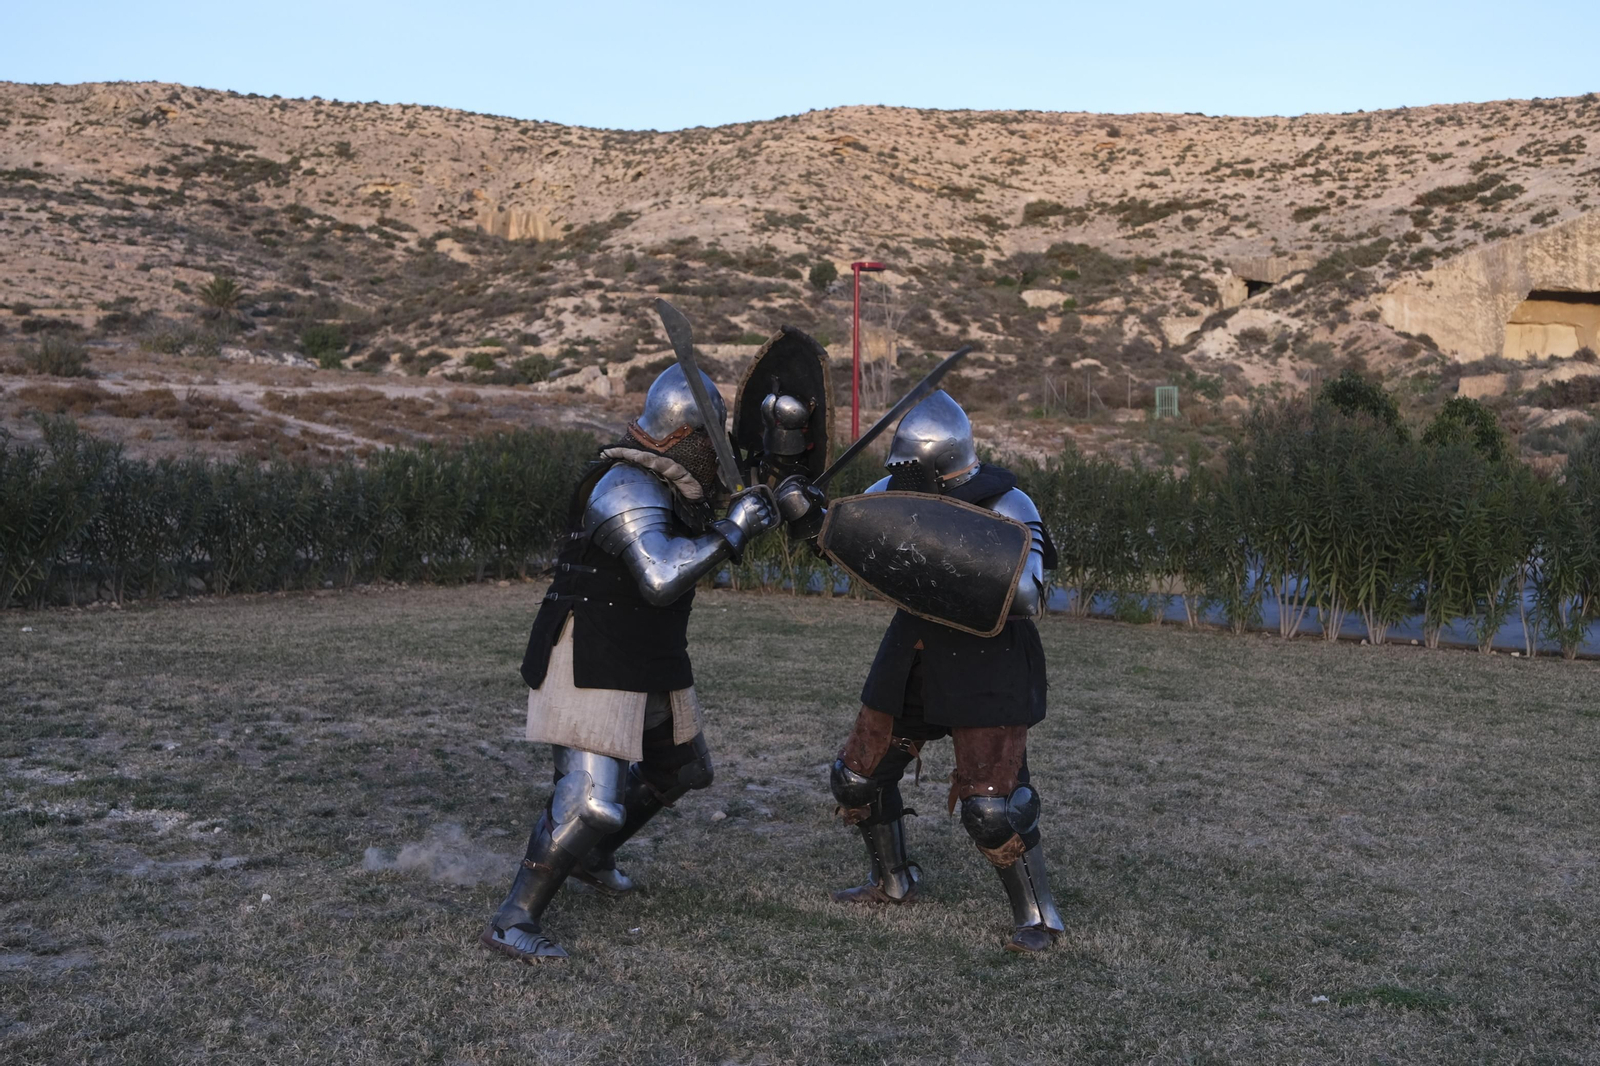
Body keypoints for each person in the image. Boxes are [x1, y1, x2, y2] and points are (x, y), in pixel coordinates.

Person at [481, 364, 779, 962]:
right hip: (592, 646)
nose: (714, 454)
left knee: (683, 770)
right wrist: (733, 531)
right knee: (592, 802)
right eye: (708, 440)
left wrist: (776, 506)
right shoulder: (625, 485)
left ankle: (592, 856)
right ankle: (513, 917)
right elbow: (663, 573)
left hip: (647, 646)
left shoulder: (675, 488)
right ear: (684, 437)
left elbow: (718, 527)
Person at [777, 390, 1064, 953]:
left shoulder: (1009, 503)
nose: (897, 476)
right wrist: (811, 520)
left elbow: (1029, 593)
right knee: (857, 777)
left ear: (935, 461)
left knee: (992, 807)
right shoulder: (895, 494)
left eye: (908, 465)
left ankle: (1039, 915)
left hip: (988, 659)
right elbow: (849, 540)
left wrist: (946, 549)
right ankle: (893, 880)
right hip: (913, 648)